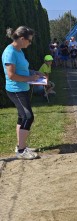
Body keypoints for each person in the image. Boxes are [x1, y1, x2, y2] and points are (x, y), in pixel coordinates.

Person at [1, 26, 41, 159]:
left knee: (22, 117)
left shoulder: (19, 50)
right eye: (29, 40)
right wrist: (30, 78)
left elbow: (23, 69)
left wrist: (35, 73)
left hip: (23, 89)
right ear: (22, 39)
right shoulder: (10, 52)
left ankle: (20, 146)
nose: (30, 43)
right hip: (16, 90)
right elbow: (11, 75)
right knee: (28, 117)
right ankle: (21, 151)